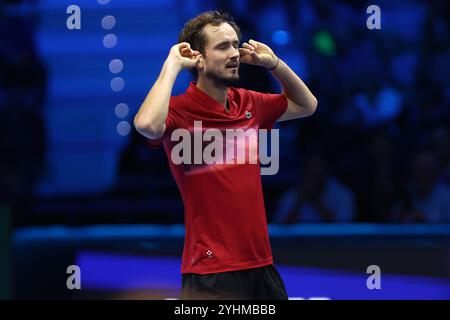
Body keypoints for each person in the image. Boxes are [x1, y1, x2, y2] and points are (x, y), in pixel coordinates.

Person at [134, 11, 317, 300]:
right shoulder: (179, 110)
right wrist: (171, 66)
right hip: (210, 270)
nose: (234, 53)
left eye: (235, 44)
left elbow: (307, 105)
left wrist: (275, 64)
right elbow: (146, 125)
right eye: (222, 47)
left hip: (261, 264)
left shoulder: (249, 102)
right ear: (198, 58)